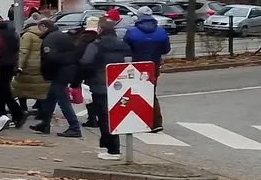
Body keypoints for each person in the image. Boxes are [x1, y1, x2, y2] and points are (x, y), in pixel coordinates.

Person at [80, 19, 134, 160]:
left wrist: (88, 75)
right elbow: (129, 63)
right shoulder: (123, 45)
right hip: (120, 85)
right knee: (113, 116)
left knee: (104, 118)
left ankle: (113, 150)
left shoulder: (96, 45)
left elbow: (85, 62)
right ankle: (106, 145)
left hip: (100, 85)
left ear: (100, 30)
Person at [34, 19, 84, 137]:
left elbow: (50, 58)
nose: (39, 31)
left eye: (39, 28)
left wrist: (44, 70)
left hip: (59, 72)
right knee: (50, 97)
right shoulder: (63, 35)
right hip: (67, 70)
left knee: (63, 101)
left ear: (44, 26)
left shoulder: (50, 39)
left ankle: (74, 127)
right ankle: (45, 124)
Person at [125, 11, 173, 131]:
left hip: (136, 66)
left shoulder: (132, 32)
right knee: (151, 93)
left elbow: (126, 50)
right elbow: (166, 50)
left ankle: (137, 120)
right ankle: (156, 122)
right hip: (153, 66)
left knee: (134, 93)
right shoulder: (161, 32)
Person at [0, 11, 28, 129]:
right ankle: (9, 115)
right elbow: (17, 48)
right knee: (3, 90)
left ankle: (10, 114)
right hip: (10, 65)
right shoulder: (12, 31)